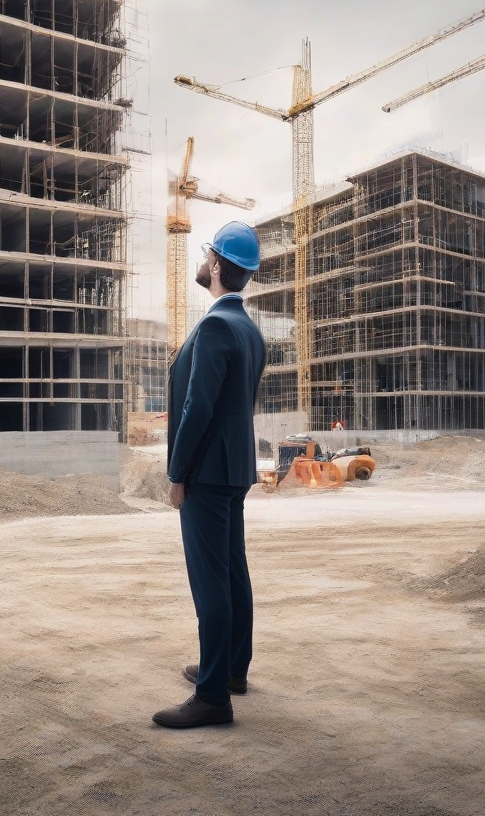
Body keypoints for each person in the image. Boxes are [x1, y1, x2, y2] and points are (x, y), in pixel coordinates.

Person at [152, 221, 266, 729]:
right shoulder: (249, 328)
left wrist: (178, 473)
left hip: (206, 470)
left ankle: (213, 695)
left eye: (207, 255)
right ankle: (232, 668)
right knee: (232, 571)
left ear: (217, 266)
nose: (202, 262)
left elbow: (199, 406)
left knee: (210, 582)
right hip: (233, 468)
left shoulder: (217, 326)